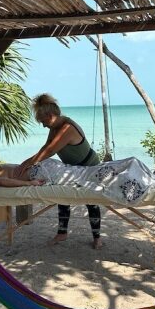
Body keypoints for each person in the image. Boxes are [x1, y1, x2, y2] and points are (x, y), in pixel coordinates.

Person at [18, 93, 103, 249]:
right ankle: (62, 233)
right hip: (71, 169)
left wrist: (29, 163)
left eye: (43, 121)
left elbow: (50, 151)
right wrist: (26, 163)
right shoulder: (55, 127)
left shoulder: (67, 128)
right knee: (62, 197)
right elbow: (45, 147)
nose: (43, 125)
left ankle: (97, 238)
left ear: (50, 116)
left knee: (91, 202)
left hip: (89, 167)